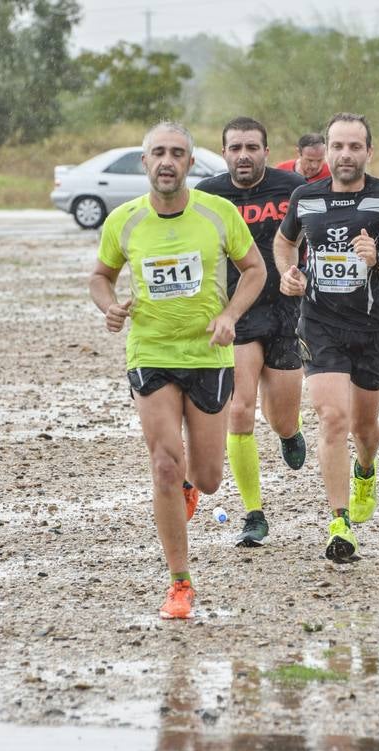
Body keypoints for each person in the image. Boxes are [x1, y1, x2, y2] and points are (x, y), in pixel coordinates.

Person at [89, 121, 266, 619]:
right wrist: (109, 306)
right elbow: (101, 276)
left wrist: (230, 315)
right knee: (165, 464)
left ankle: (190, 488)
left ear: (190, 163)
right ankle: (180, 583)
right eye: (158, 153)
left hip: (208, 354)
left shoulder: (218, 213)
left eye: (177, 153)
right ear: (145, 162)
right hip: (150, 352)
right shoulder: (124, 220)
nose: (167, 161)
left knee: (207, 478)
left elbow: (255, 270)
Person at [273, 112, 379, 561]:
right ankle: (339, 523)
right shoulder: (305, 197)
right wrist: (288, 272)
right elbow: (285, 242)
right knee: (332, 418)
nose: (345, 154)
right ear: (326, 150)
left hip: (372, 329)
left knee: (364, 429)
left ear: (368, 151)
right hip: (319, 324)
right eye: (338, 146)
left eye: (354, 146)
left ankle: (365, 469)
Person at [198, 116, 306, 547]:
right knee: (240, 411)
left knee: (281, 417)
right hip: (237, 313)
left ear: (266, 151)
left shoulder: (292, 188)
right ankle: (253, 513)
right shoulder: (207, 196)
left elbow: (314, 238)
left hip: (285, 311)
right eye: (235, 148)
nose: (243, 155)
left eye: (252, 147)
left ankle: (289, 432)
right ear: (223, 153)